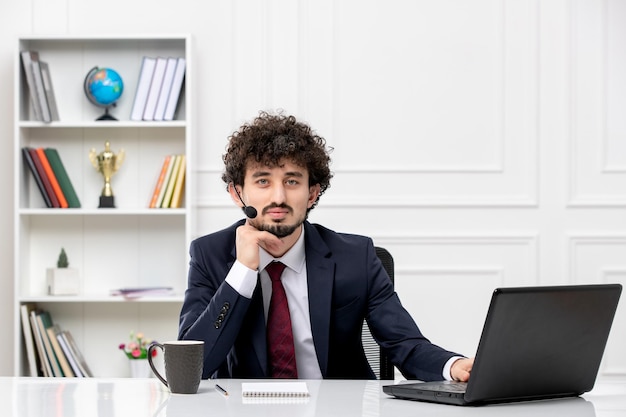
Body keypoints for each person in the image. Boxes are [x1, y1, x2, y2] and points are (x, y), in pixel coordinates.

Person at [178, 111, 474, 381]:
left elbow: (404, 344)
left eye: (292, 181)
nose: (278, 197)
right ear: (237, 193)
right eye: (263, 181)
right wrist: (242, 272)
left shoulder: (356, 256)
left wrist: (453, 366)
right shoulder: (209, 255)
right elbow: (193, 367)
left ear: (312, 193)